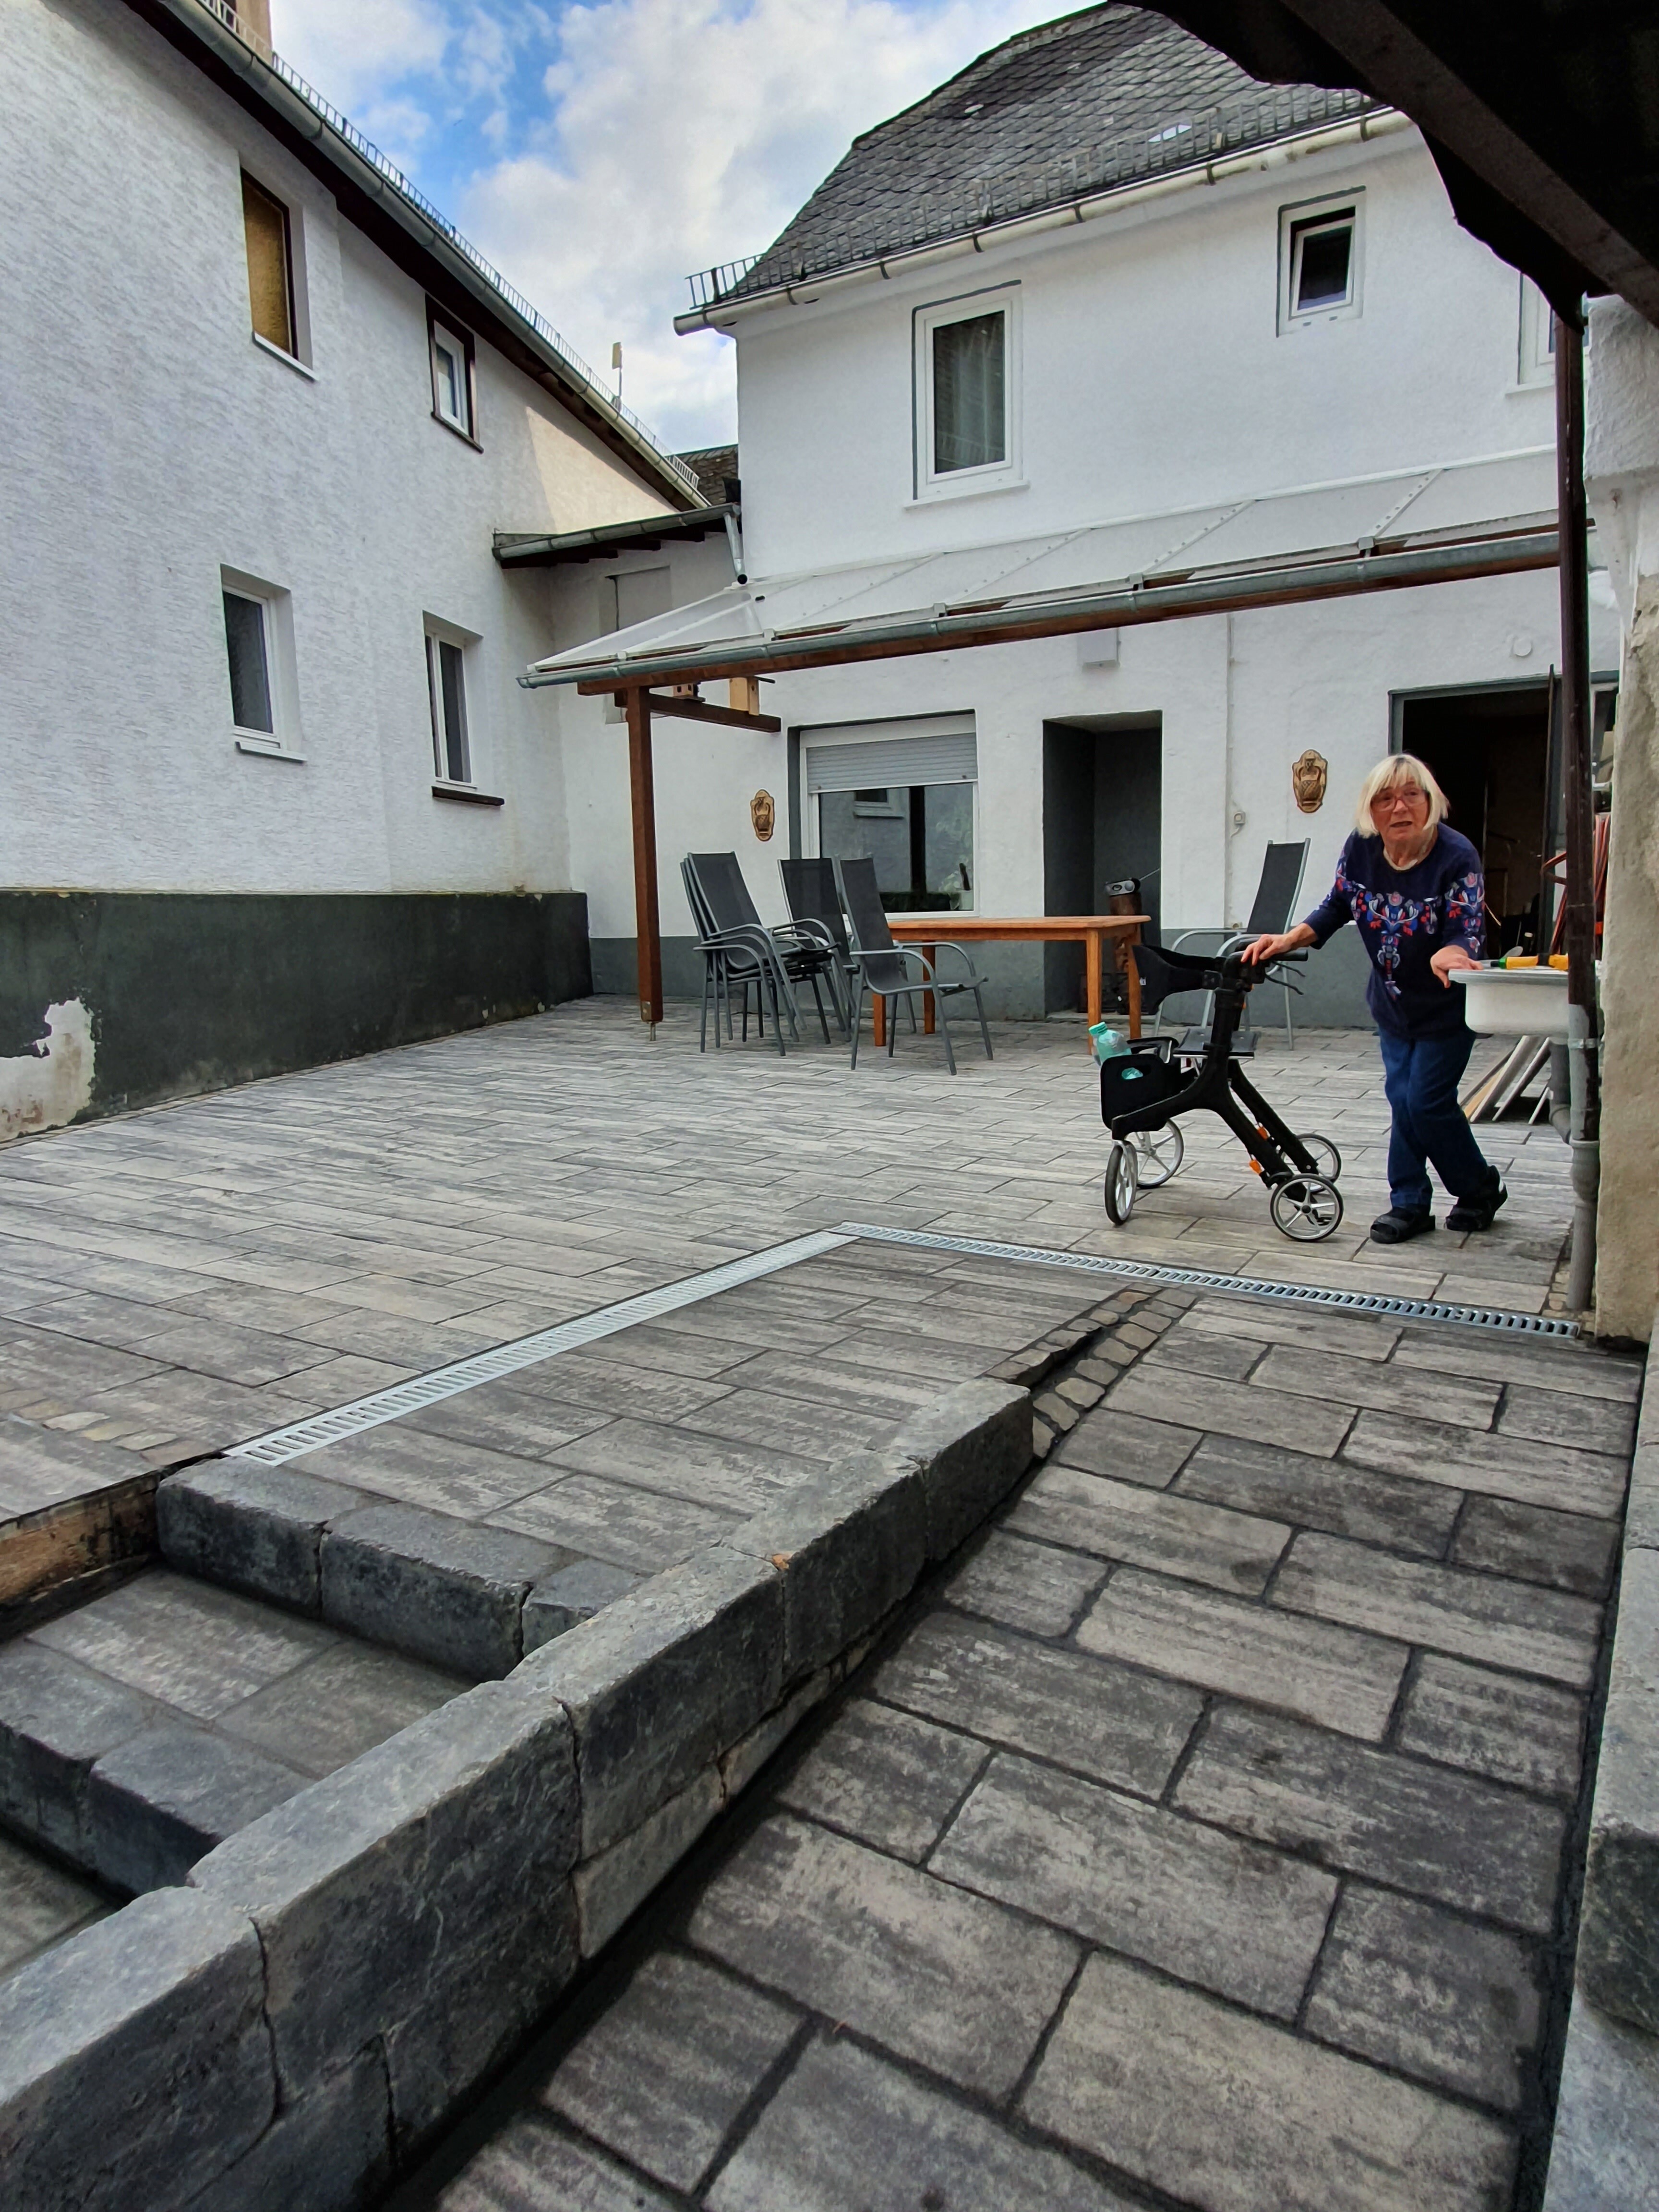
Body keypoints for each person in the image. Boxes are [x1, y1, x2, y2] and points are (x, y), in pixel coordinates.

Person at [1243, 754, 1506, 1243]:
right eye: (1385, 799)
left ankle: (1477, 1188)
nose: (1399, 807)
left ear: (1430, 801)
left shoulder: (1456, 854)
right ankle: (1411, 1203)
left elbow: (1466, 927)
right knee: (1403, 1100)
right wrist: (1286, 939)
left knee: (1425, 1102)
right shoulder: (1361, 848)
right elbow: (1337, 905)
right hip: (1392, 1004)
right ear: (1371, 809)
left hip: (1447, 1007)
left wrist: (1452, 952)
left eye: (1411, 795)